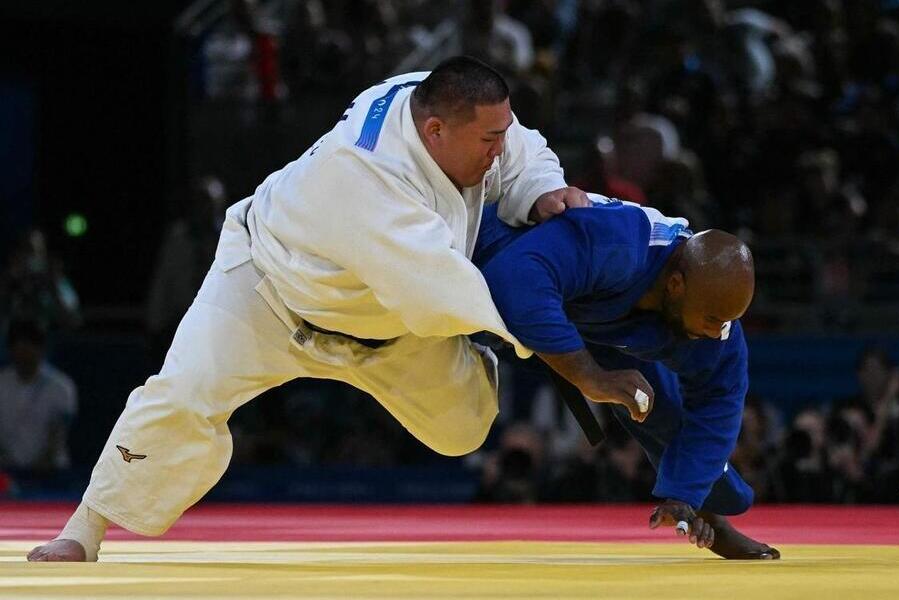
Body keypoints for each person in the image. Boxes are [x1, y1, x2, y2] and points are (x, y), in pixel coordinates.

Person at [28, 55, 588, 562]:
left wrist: (542, 186)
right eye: (488, 140)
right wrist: (555, 345)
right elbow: (437, 285)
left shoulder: (448, 108)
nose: (498, 151)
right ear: (434, 131)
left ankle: (470, 353)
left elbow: (520, 146)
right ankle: (83, 529)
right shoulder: (363, 171)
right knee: (181, 391)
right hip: (269, 292)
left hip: (385, 327)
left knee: (463, 430)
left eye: (499, 136)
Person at [472, 196, 779, 559]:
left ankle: (709, 514)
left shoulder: (717, 323)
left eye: (729, 320)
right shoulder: (619, 243)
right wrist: (589, 376)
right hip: (489, 259)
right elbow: (515, 278)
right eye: (713, 319)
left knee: (657, 406)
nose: (718, 331)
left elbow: (718, 408)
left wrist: (684, 495)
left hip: (597, 316)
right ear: (676, 284)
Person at [0, 319, 77, 471]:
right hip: (6, 470)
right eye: (18, 347)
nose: (23, 353)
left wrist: (43, 464)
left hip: (49, 474)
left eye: (29, 346)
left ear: (41, 348)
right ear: (10, 349)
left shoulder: (61, 387)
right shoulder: (2, 382)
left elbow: (58, 434)